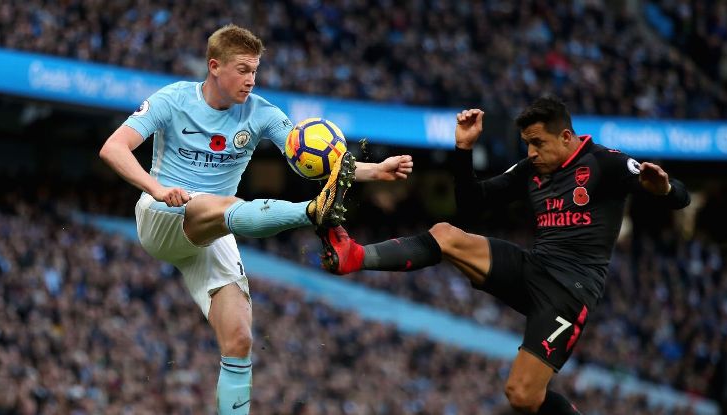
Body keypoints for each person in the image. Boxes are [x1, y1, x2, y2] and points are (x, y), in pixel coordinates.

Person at [98, 24, 413, 415]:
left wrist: (375, 170)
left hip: (216, 228)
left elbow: (309, 157)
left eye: (255, 71)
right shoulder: (173, 99)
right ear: (214, 66)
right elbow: (114, 148)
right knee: (222, 202)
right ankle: (311, 212)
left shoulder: (261, 112)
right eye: (243, 70)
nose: (251, 80)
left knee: (239, 340)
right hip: (161, 215)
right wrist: (158, 189)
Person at [318, 96, 690, 414]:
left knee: (522, 396)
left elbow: (680, 196)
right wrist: (464, 150)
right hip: (534, 268)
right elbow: (470, 202)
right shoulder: (532, 169)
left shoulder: (605, 163)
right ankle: (354, 256)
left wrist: (664, 189)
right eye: (526, 144)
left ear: (565, 137)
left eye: (537, 143)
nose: (531, 153)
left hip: (568, 292)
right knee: (446, 235)